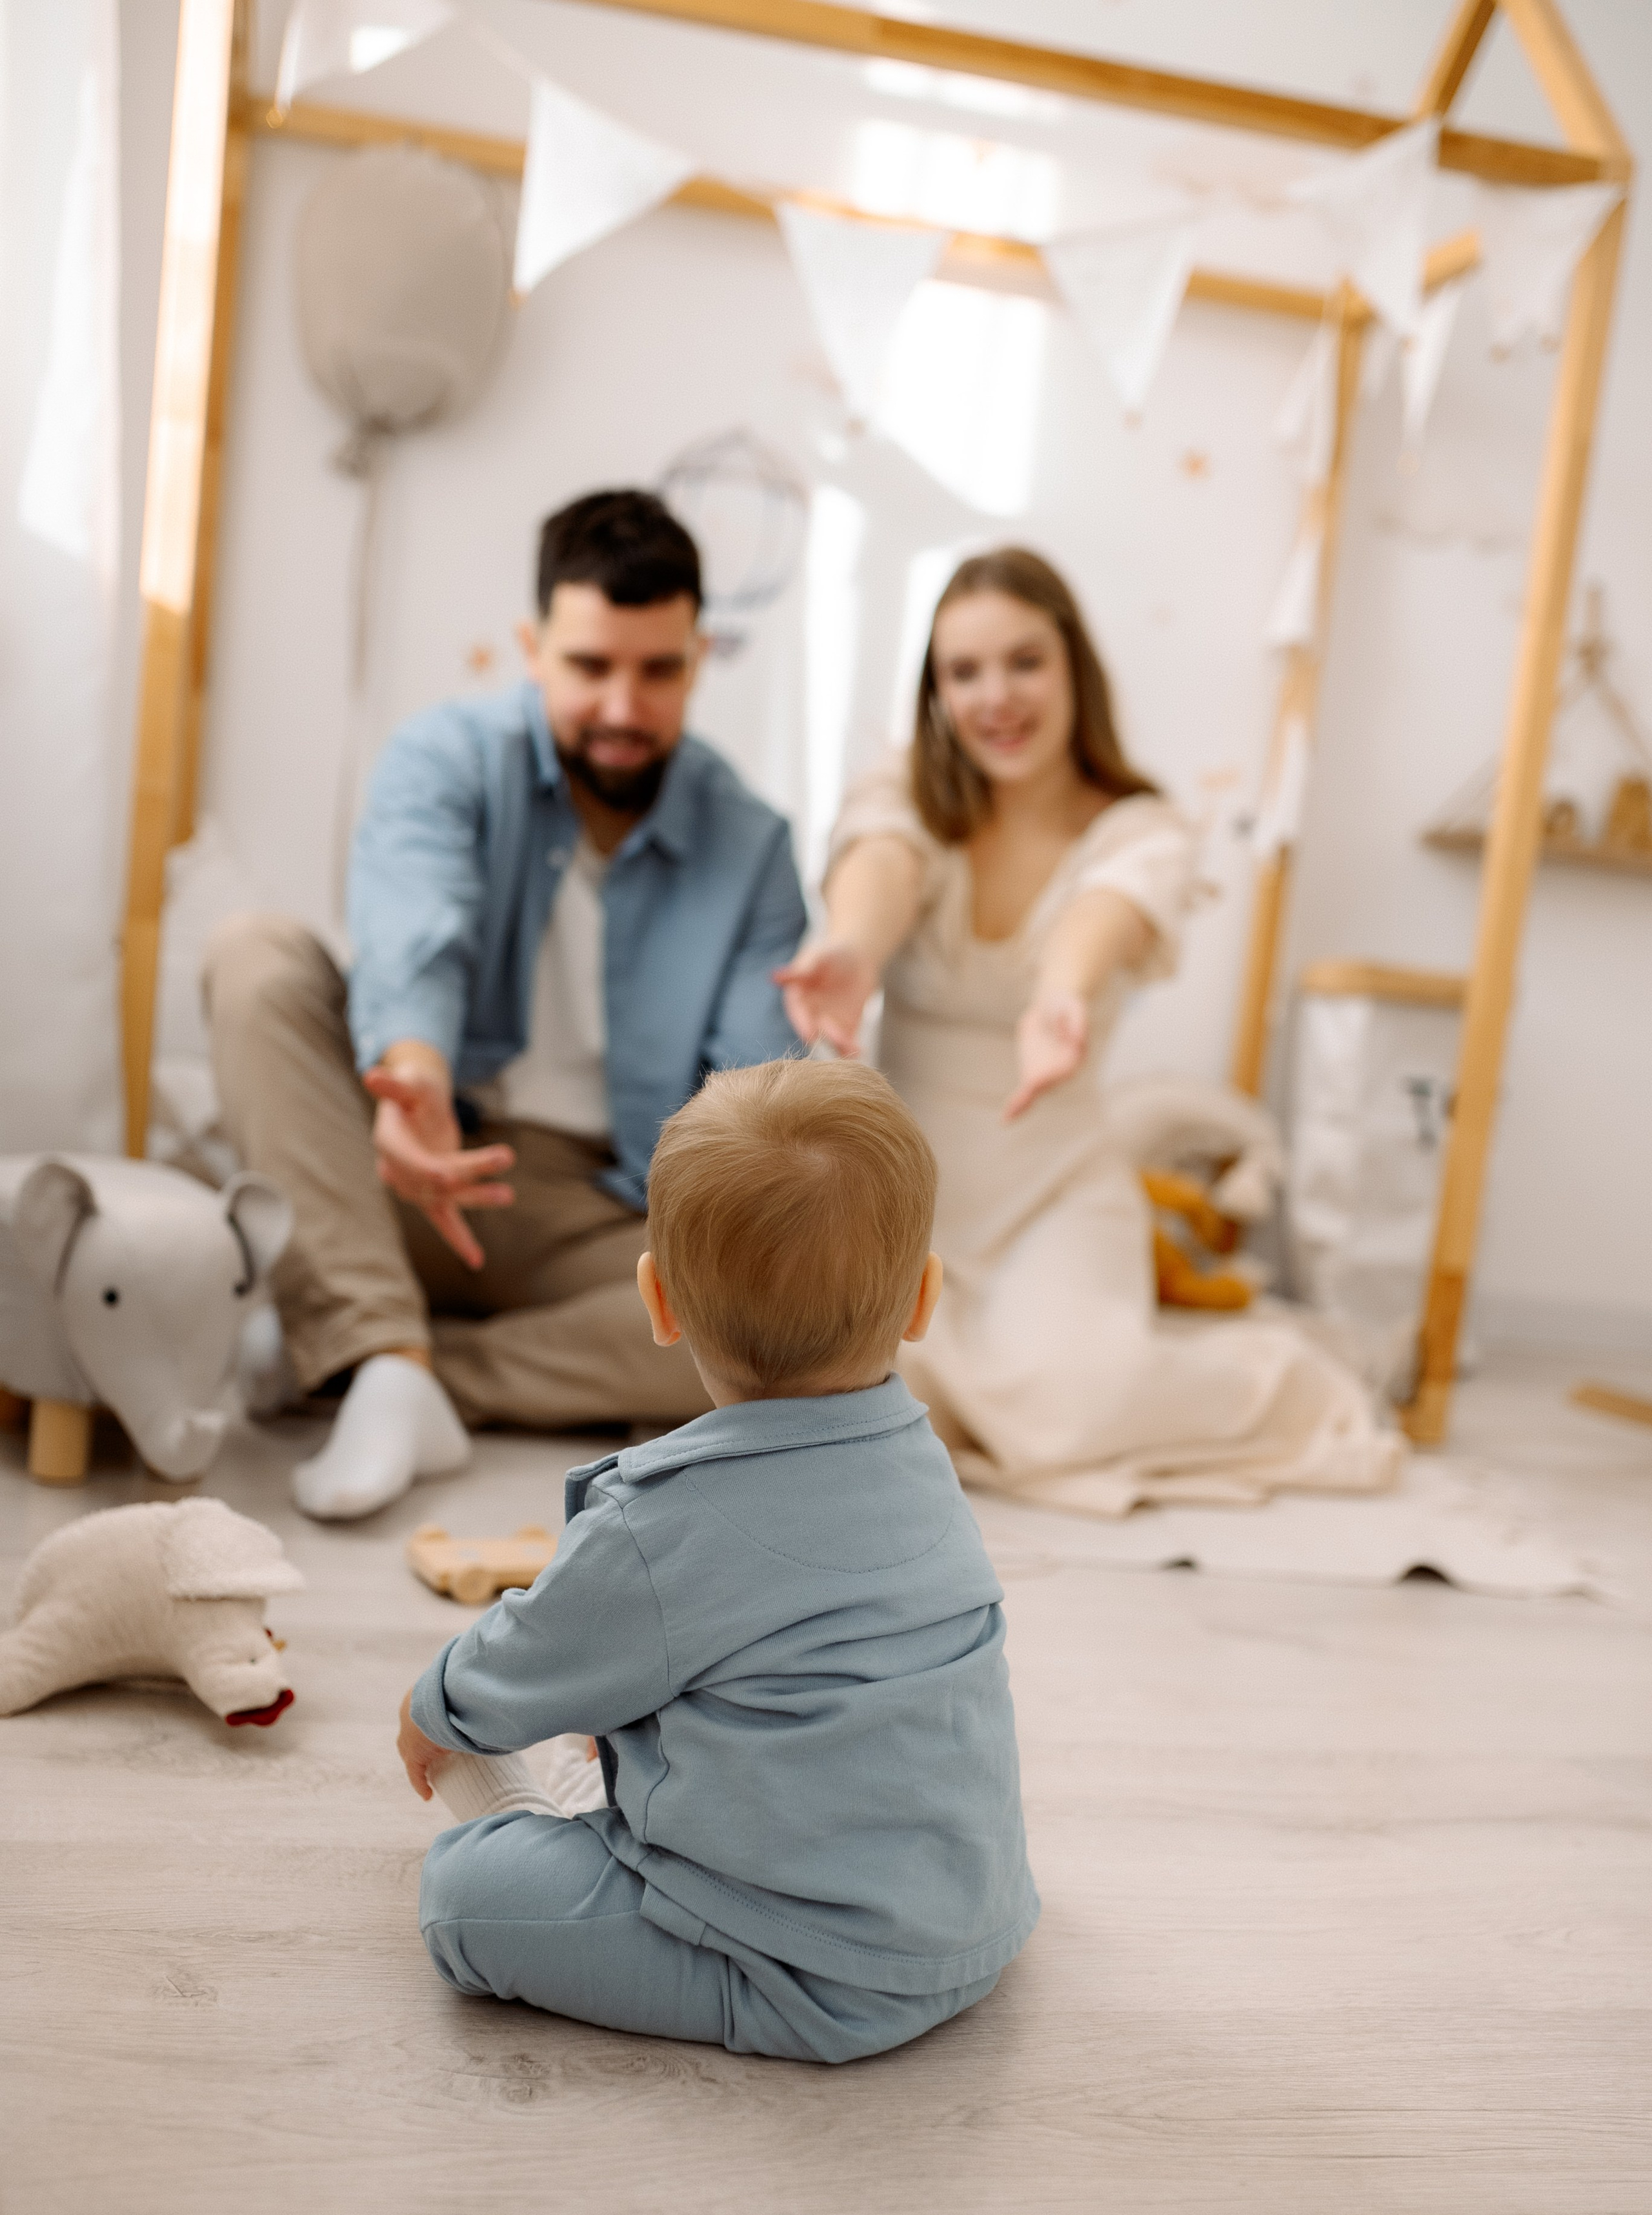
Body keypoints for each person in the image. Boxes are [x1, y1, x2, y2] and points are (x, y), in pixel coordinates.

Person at [395, 1059, 1040, 2063]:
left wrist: (434, 1705)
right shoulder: (926, 1465)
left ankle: (582, 1828)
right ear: (923, 1300)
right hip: (975, 1923)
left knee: (460, 1900)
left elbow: (533, 1657)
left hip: (801, 1971)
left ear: (659, 1302)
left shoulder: (666, 1523)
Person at [204, 490, 807, 1522]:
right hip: (410, 1167)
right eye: (590, 666)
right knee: (255, 957)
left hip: (602, 1208)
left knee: (778, 1326)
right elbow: (415, 932)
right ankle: (374, 1335)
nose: (623, 706)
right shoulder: (445, 758)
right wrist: (417, 1080)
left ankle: (394, 1369)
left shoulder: (752, 844)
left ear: (701, 658)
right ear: (534, 647)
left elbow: (749, 1092)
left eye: (659, 670)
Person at [776, 547, 1402, 1517]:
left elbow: (1103, 913)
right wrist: (854, 953)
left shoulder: (1142, 827)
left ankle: (1281, 1376)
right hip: (903, 1203)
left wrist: (1058, 998)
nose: (997, 696)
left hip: (1053, 1193)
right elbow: (883, 869)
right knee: (846, 1407)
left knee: (1073, 1409)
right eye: (964, 671)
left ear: (1075, 668)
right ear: (935, 691)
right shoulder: (905, 796)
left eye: (1025, 661)